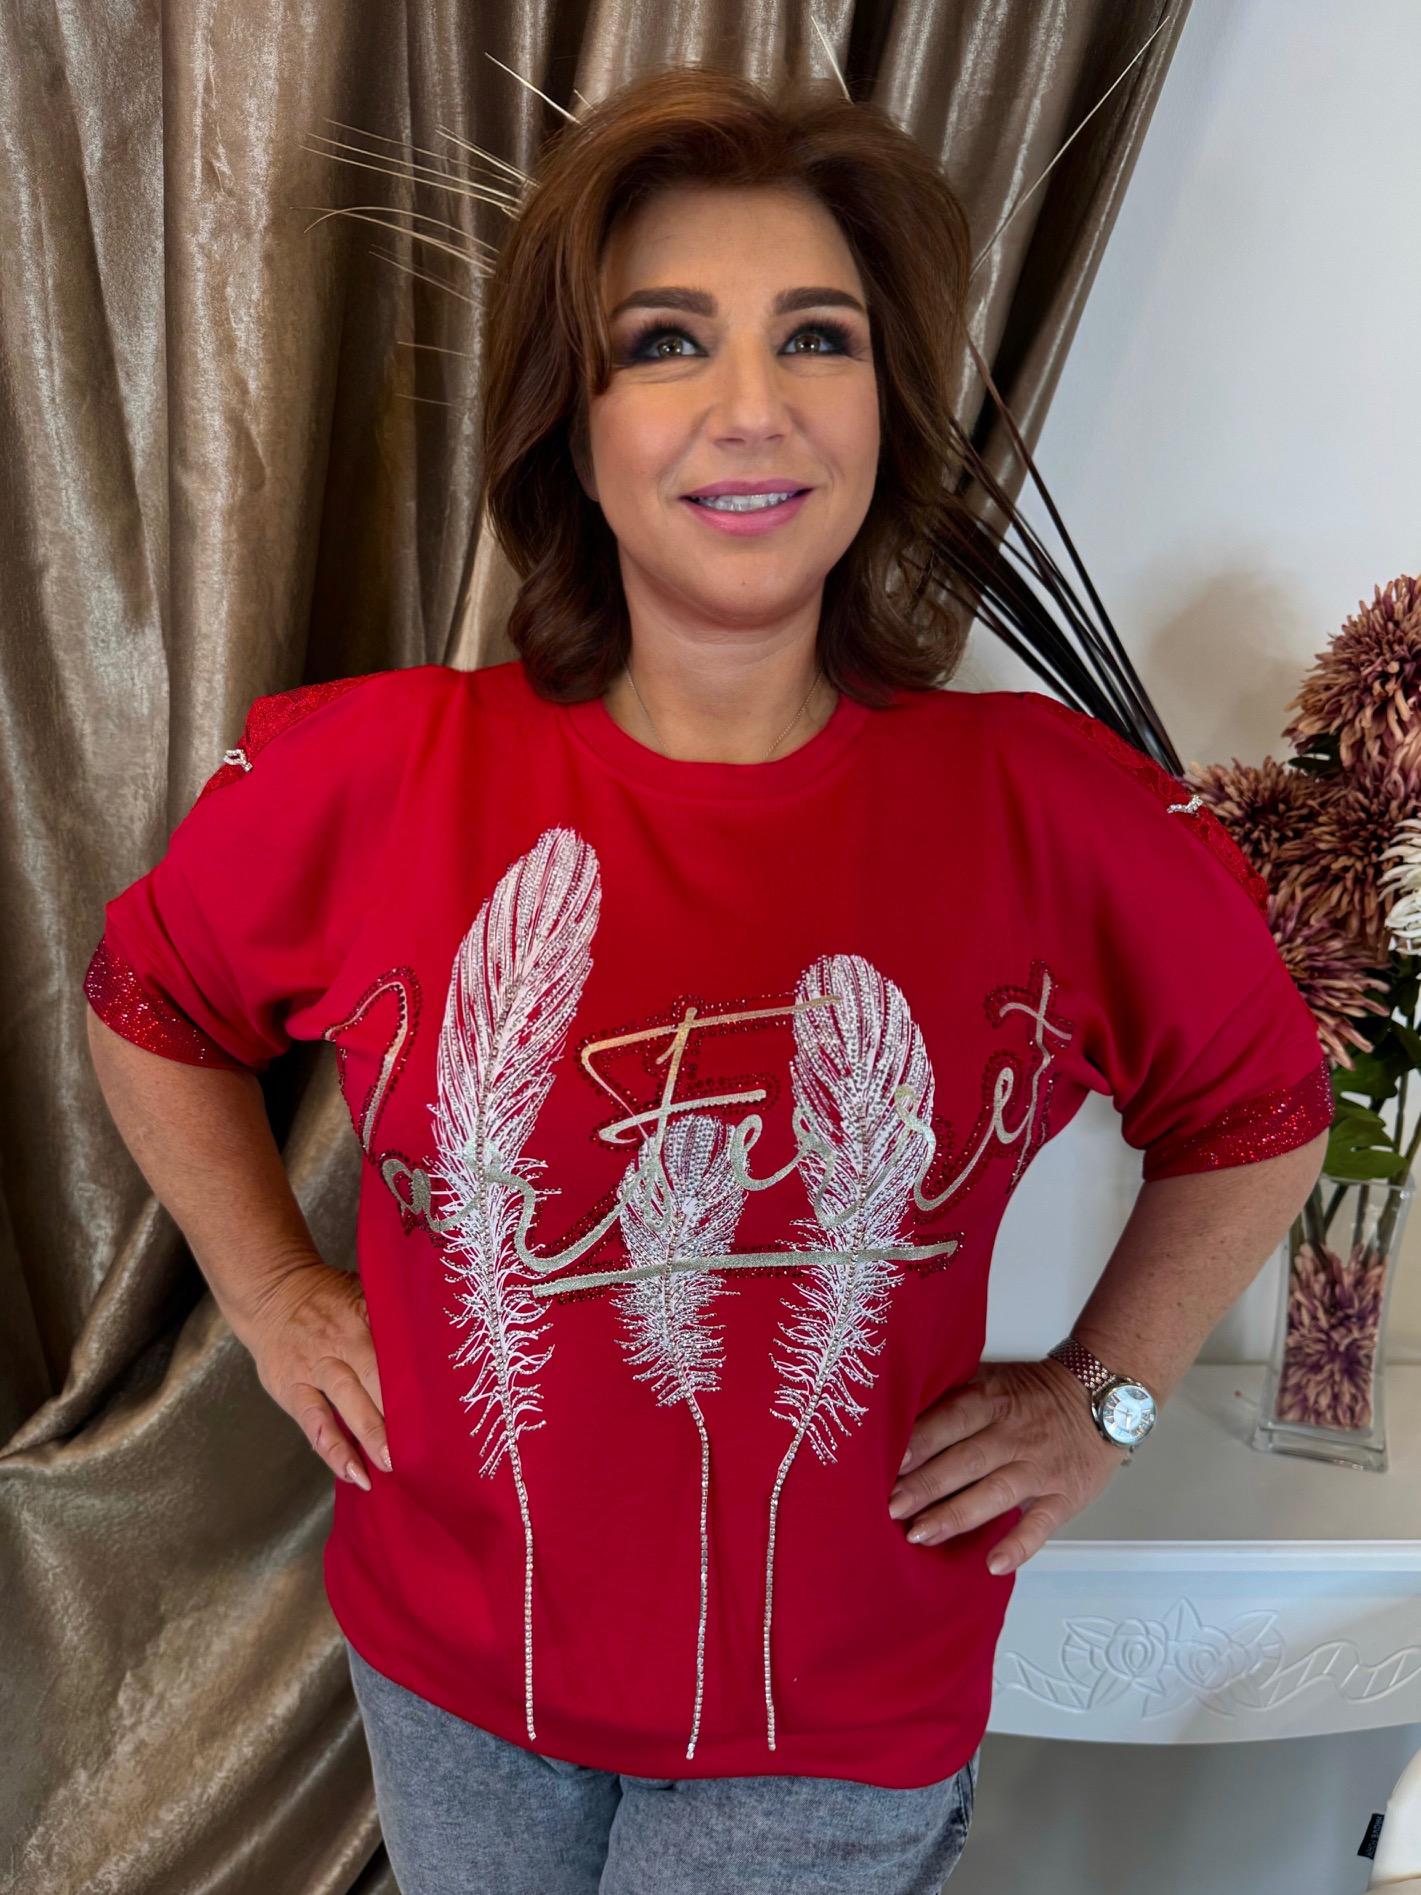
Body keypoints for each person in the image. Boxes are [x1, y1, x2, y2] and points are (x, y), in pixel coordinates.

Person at [84, 66, 1331, 1895]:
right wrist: (271, 1290)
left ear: (883, 408)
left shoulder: (1048, 810)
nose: (752, 406)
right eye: (664, 343)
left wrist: (1105, 1396)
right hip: (453, 1675)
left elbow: (1256, 1111)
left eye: (815, 337)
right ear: (573, 429)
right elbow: (149, 1004)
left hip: (835, 1720)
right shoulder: (381, 774)